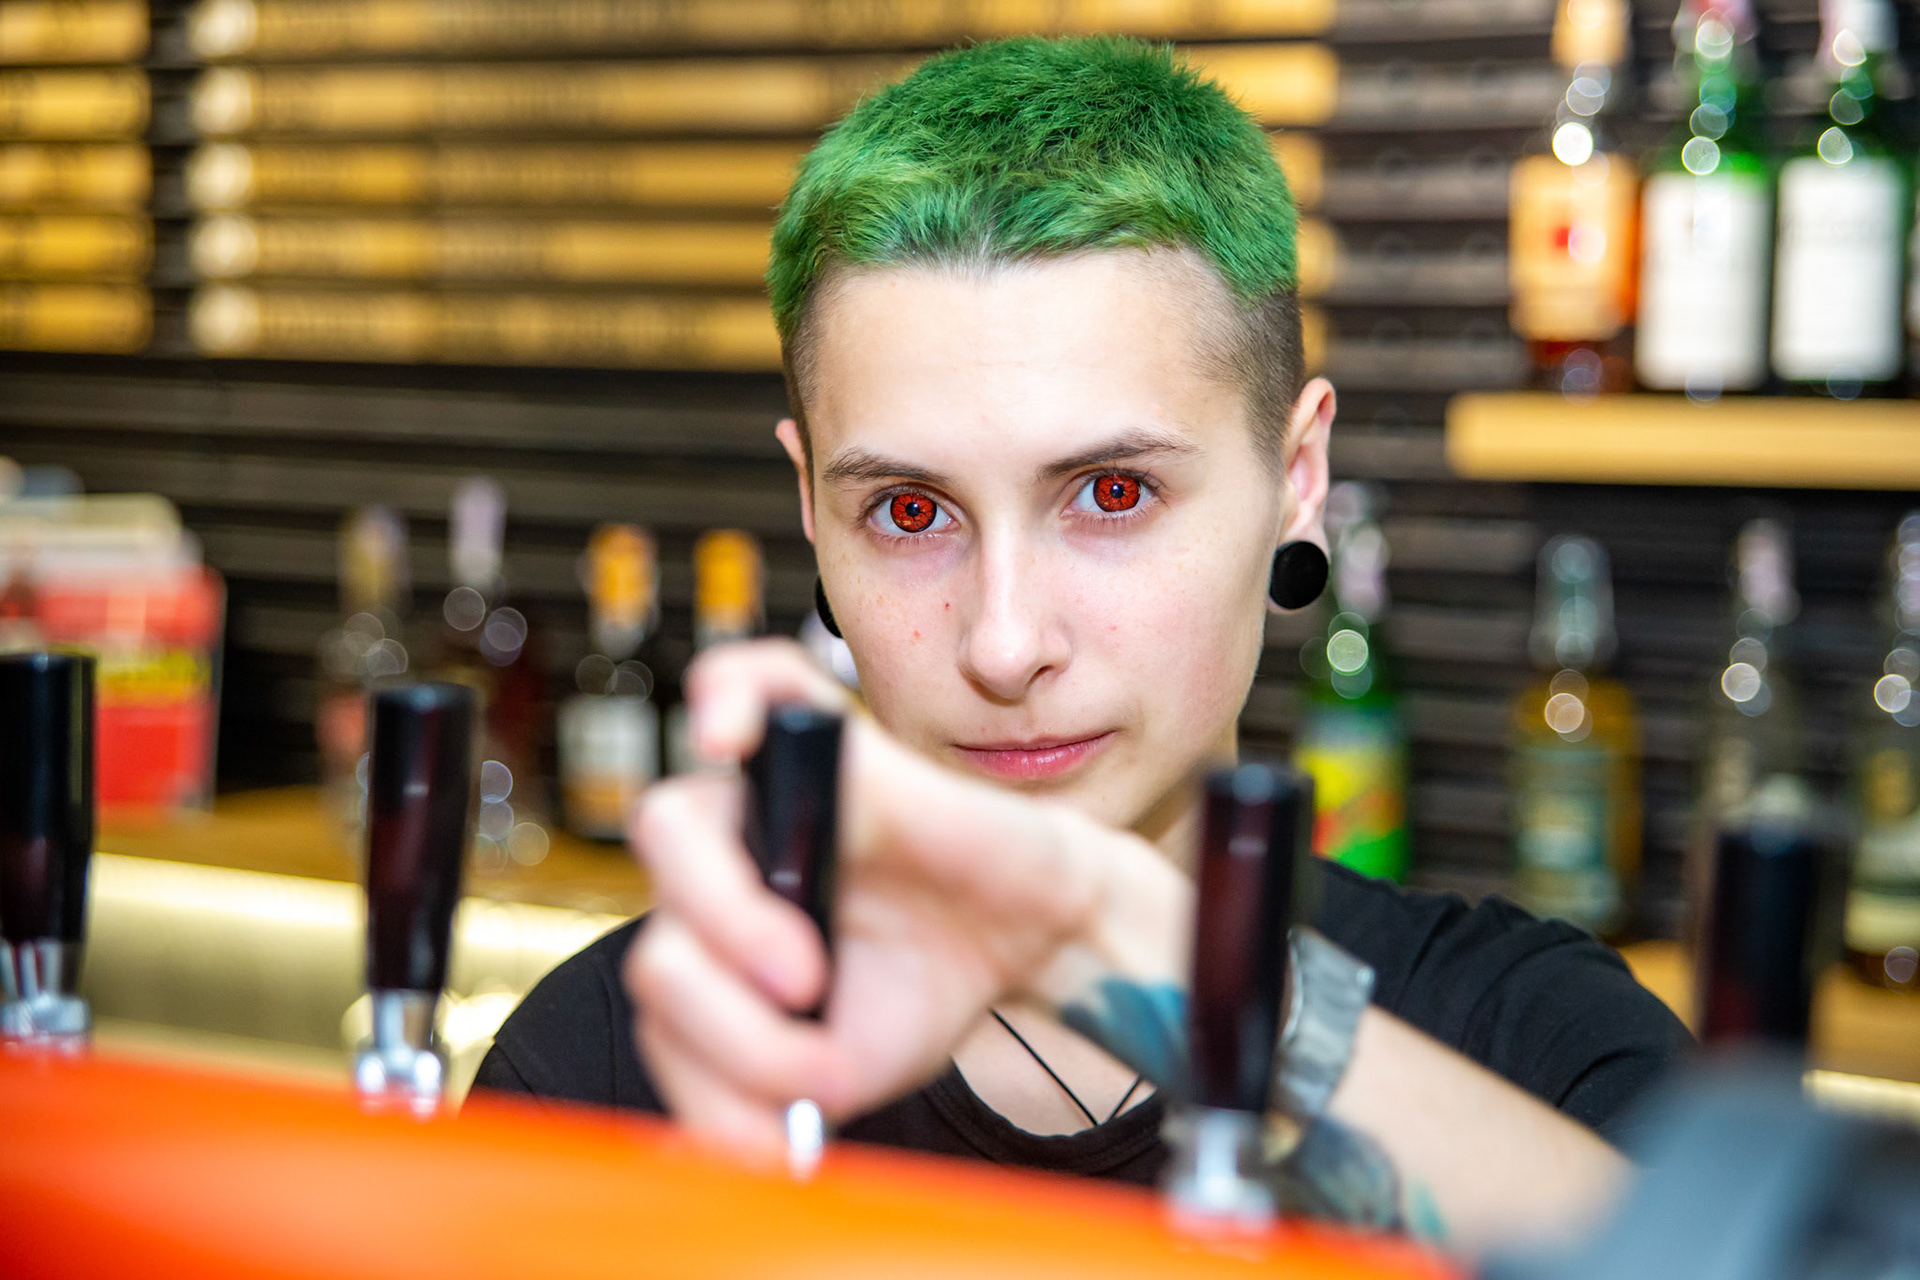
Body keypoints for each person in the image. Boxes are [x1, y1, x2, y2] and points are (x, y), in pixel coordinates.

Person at [474, 35, 1691, 1254]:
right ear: (810, 507)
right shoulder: (605, 1072)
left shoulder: (1528, 1040)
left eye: (1111, 493)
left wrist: (1092, 932)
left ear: (1297, 477)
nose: (1005, 645)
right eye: (909, 511)